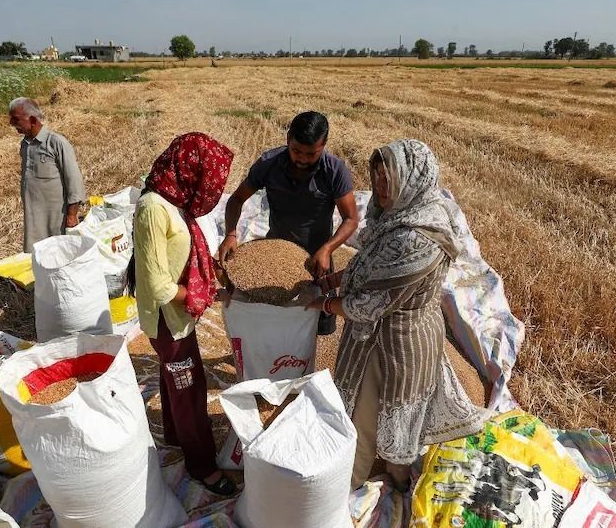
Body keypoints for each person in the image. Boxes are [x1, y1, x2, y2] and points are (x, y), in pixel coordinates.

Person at [306, 139, 490, 490]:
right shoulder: (405, 213)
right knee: (395, 410)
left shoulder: (417, 237)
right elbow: (372, 267)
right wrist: (333, 280)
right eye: (376, 176)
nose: (380, 186)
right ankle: (393, 475)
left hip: (398, 341)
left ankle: (350, 485)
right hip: (397, 329)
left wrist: (323, 304)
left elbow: (372, 303)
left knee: (369, 415)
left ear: (412, 178)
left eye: (389, 178)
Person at [131, 132, 238, 496]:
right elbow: (159, 286)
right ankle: (202, 466)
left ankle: (176, 436)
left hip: (178, 316)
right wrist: (201, 295)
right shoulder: (153, 208)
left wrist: (209, 281)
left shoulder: (174, 200)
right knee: (189, 390)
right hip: (167, 319)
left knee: (174, 378)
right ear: (189, 170)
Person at [218, 111, 359, 335]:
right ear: (287, 140)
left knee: (318, 324)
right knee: (273, 321)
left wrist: (327, 249)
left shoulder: (334, 170)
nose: (302, 159)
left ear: (323, 146)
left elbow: (351, 218)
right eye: (296, 151)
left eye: (311, 154)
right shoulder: (269, 163)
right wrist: (231, 234)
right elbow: (236, 200)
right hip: (275, 257)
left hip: (316, 261)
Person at [8, 97, 85, 253]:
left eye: (15, 119)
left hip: (57, 219)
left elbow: (74, 181)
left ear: (32, 120)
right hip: (33, 216)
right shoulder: (25, 145)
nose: (11, 123)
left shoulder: (56, 143)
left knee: (58, 253)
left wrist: (72, 215)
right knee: (38, 253)